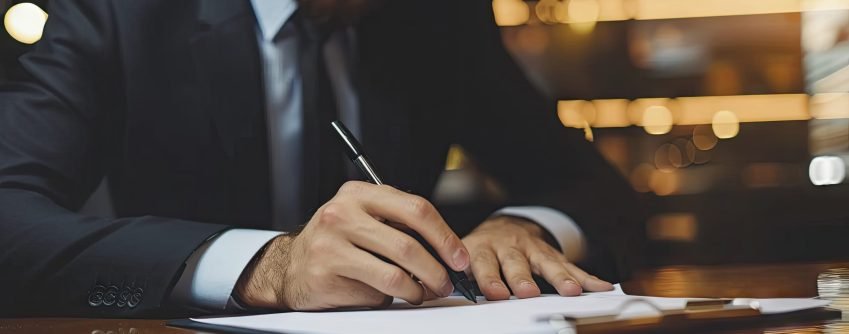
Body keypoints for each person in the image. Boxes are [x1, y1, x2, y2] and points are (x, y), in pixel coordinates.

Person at [0, 0, 642, 317]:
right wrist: (267, 266)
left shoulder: (432, 18)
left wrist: (523, 226)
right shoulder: (120, 13)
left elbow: (596, 191)